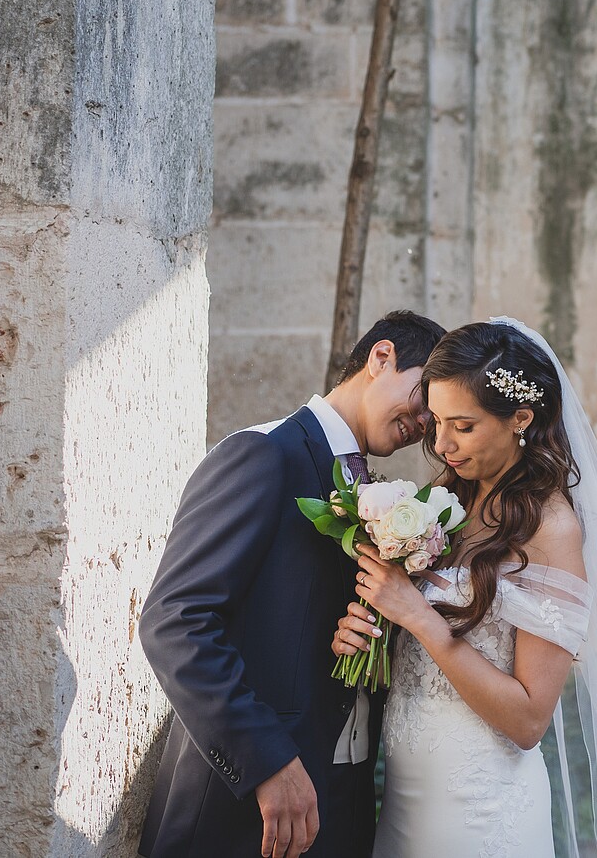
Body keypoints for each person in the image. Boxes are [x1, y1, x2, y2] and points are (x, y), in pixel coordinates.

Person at [338, 318, 597, 858]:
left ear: (520, 418)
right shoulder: (450, 499)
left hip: (481, 810)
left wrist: (419, 616)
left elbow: (529, 718)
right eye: (437, 421)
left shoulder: (551, 530)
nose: (441, 444)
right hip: (406, 799)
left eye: (463, 427)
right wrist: (368, 629)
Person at [139, 311, 448, 858]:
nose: (427, 423)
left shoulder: (374, 489)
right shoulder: (262, 454)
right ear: (382, 358)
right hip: (243, 810)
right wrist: (268, 761)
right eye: (426, 397)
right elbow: (175, 621)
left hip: (342, 805)